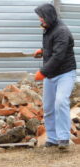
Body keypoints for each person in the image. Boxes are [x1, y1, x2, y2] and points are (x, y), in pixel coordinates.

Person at [34, 3, 76, 150]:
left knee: (60, 102)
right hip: (51, 74)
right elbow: (53, 47)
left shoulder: (62, 31)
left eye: (41, 17)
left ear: (49, 16)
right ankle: (52, 138)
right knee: (49, 107)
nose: (40, 20)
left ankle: (63, 138)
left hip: (65, 73)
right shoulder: (49, 28)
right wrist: (43, 51)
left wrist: (42, 72)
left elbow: (58, 55)